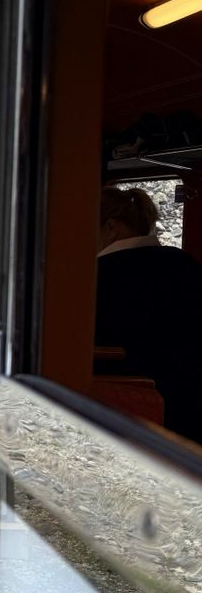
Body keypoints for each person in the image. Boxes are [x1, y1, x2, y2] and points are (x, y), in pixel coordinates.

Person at [95, 186, 202, 441]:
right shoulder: (186, 264)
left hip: (127, 418)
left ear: (111, 228)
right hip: (192, 412)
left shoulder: (97, 277)